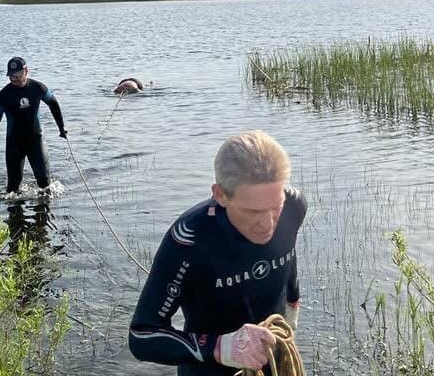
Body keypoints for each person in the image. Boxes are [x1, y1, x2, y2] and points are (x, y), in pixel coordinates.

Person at [129, 130, 306, 375]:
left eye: (275, 207)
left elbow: (288, 249)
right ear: (220, 194)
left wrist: (292, 305)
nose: (268, 224)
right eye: (253, 212)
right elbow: (142, 336)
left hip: (273, 359)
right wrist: (221, 347)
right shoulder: (190, 239)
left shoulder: (294, 205)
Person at [0, 56, 67, 194]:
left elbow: (53, 103)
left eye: (16, 75)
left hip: (36, 140)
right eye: (10, 75)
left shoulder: (38, 88)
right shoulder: (3, 96)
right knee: (12, 190)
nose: (13, 79)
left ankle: (43, 212)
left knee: (45, 185)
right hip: (14, 143)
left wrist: (61, 128)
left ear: (26, 71)